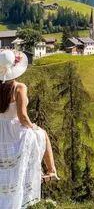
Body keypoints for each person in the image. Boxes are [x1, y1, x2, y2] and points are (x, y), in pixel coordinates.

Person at [0, 49, 59, 209]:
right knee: (42, 134)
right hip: (14, 130)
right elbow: (22, 116)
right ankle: (51, 171)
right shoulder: (19, 87)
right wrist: (33, 127)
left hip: (1, 130)